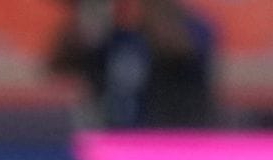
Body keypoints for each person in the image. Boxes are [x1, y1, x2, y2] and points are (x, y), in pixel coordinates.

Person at [49, 0, 217, 128]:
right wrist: (89, 15)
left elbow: (179, 48)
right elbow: (61, 63)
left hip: (175, 136)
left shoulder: (193, 28)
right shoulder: (119, 39)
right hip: (113, 134)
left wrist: (156, 11)